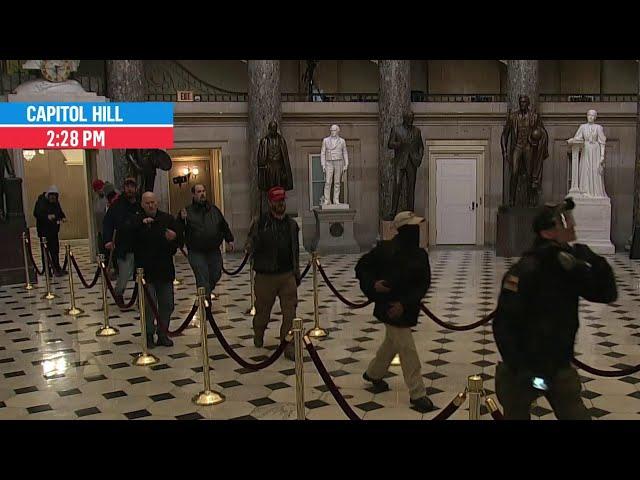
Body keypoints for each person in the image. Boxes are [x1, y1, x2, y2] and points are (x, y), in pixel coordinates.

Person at [492, 198, 618, 420]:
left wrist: (595, 261)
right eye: (564, 222)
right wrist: (518, 365)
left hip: (557, 366)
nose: (572, 226)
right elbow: (504, 324)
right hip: (523, 369)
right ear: (547, 232)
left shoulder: (569, 266)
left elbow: (606, 294)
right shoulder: (526, 270)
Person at [356, 211, 434, 413]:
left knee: (391, 344)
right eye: (412, 228)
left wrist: (405, 304)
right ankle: (418, 394)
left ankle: (373, 373)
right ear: (404, 230)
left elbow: (423, 284)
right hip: (388, 308)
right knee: (407, 349)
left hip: (406, 309)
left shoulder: (420, 254)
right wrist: (373, 285)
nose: (416, 231)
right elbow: (362, 267)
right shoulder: (386, 249)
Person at [245, 186, 300, 361]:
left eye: (282, 201)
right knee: (262, 311)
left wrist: (296, 272)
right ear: (270, 203)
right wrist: (251, 244)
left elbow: (295, 250)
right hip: (265, 275)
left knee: (290, 311)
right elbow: (250, 244)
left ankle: (288, 344)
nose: (280, 204)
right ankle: (259, 331)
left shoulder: (292, 225)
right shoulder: (259, 222)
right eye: (277, 201)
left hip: (286, 275)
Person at [133, 192, 183, 348]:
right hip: (146, 272)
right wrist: (142, 225)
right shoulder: (136, 220)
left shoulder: (167, 219)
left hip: (165, 270)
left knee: (167, 304)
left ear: (157, 203)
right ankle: (148, 333)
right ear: (142, 204)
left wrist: (173, 238)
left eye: (153, 202)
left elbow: (177, 242)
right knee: (149, 304)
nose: (150, 205)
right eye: (147, 203)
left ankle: (163, 333)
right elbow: (129, 239)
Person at [180, 184, 234, 302]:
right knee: (202, 275)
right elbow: (179, 229)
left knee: (216, 273)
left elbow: (223, 225)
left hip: (213, 249)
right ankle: (205, 302)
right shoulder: (187, 211)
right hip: (196, 251)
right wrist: (180, 219)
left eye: (203, 191)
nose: (202, 194)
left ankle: (206, 293)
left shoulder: (214, 210)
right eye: (199, 192)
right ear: (194, 194)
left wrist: (229, 239)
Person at [501, 94, 549, 207]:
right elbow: (504, 135)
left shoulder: (534, 116)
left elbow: (542, 132)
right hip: (517, 147)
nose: (522, 104)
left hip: (528, 147)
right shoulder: (512, 117)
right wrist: (504, 151)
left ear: (528, 103)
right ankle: (511, 200)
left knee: (529, 174)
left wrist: (539, 140)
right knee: (514, 172)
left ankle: (530, 200)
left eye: (524, 102)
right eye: (520, 102)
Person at [102, 178, 140, 304]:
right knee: (124, 274)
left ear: (136, 188)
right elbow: (107, 223)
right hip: (123, 245)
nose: (130, 189)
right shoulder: (117, 205)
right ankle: (118, 293)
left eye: (132, 186)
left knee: (141, 274)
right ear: (124, 188)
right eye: (127, 186)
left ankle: (142, 296)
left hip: (140, 245)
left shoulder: (140, 203)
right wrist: (107, 240)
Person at [387, 112, 424, 219]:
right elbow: (390, 144)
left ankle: (410, 212)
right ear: (404, 118)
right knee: (397, 186)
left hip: (412, 161)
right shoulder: (396, 129)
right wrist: (399, 144)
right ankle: (393, 212)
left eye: (412, 118)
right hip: (400, 162)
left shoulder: (417, 131)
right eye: (409, 118)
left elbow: (421, 147)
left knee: (411, 187)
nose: (411, 120)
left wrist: (419, 157)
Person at [257, 121, 293, 213]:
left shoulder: (281, 140)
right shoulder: (264, 141)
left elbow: (285, 156)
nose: (273, 131)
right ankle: (270, 209)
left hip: (279, 167)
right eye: (271, 129)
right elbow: (260, 157)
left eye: (274, 129)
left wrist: (285, 171)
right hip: (268, 168)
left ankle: (279, 209)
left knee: (279, 190)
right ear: (269, 129)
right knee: (270, 190)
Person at [33, 185, 67, 276]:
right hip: (44, 231)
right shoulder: (41, 202)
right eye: (52, 197)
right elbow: (36, 213)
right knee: (45, 251)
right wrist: (47, 217)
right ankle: (47, 269)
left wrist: (62, 217)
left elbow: (59, 211)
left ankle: (56, 267)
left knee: (55, 250)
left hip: (53, 231)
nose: (53, 199)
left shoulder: (55, 202)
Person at [320, 124, 349, 205]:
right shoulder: (325, 140)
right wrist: (323, 164)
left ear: (338, 131)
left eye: (334, 130)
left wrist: (346, 163)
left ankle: (336, 200)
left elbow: (345, 152)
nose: (333, 132)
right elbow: (322, 153)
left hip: (339, 161)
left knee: (337, 182)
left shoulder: (342, 141)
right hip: (329, 162)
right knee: (328, 181)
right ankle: (327, 200)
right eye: (332, 130)